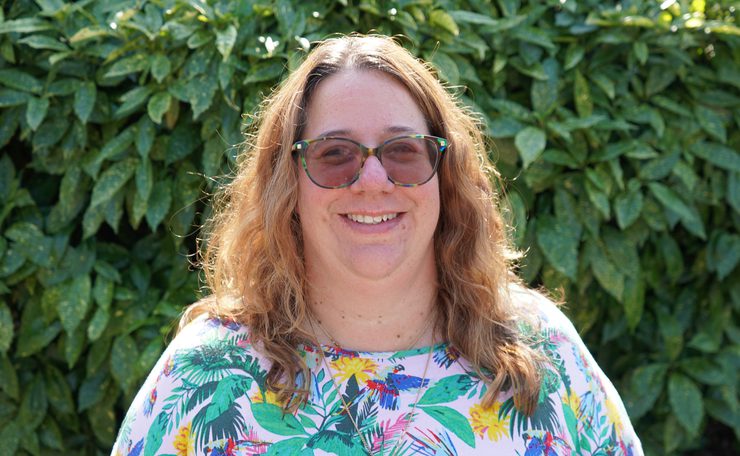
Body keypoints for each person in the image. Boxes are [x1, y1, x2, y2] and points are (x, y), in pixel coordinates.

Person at [111, 35, 642, 456]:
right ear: (287, 184)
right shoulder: (207, 374)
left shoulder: (540, 356)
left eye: (403, 151)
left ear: (445, 174)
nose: (373, 180)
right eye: (334, 153)